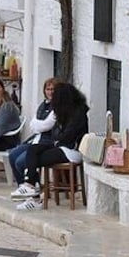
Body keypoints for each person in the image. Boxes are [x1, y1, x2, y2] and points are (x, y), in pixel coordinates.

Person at [12, 82, 89, 211]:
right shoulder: (63, 112)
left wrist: (56, 140)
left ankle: (33, 191)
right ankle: (31, 185)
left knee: (33, 160)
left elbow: (67, 136)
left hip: (71, 151)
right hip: (59, 146)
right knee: (33, 149)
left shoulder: (78, 114)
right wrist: (56, 139)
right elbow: (55, 134)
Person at [7, 78, 58, 187]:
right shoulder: (43, 105)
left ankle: (33, 186)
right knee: (12, 155)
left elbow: (47, 125)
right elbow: (33, 124)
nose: (50, 92)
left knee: (20, 162)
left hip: (46, 142)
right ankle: (22, 186)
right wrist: (38, 126)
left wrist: (38, 125)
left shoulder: (58, 106)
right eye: (48, 89)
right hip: (35, 139)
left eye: (53, 89)